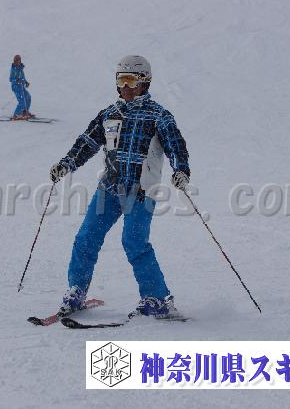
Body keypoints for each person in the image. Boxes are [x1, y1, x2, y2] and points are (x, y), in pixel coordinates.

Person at [49, 55, 191, 319]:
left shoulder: (158, 116)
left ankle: (157, 299)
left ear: (144, 82)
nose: (125, 87)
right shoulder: (109, 114)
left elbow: (176, 146)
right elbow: (86, 143)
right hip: (110, 188)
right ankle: (76, 291)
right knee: (86, 238)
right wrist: (67, 164)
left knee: (134, 242)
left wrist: (181, 170)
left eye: (131, 81)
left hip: (141, 191)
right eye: (121, 80)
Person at [9, 55, 34, 120]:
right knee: (22, 101)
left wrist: (26, 82)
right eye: (17, 61)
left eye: (19, 61)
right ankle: (16, 114)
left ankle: (24, 112)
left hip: (21, 87)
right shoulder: (13, 69)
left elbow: (22, 77)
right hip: (16, 87)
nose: (19, 62)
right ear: (15, 61)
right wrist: (17, 80)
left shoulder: (20, 68)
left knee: (28, 97)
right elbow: (11, 79)